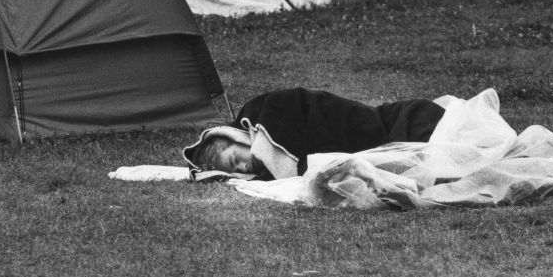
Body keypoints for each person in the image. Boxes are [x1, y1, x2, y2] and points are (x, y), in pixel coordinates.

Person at [184, 87, 445, 180]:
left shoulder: (263, 113)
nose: (243, 167)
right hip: (382, 140)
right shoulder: (264, 168)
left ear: (235, 139)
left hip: (395, 121)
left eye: (235, 159)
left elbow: (308, 109)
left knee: (433, 143)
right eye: (237, 171)